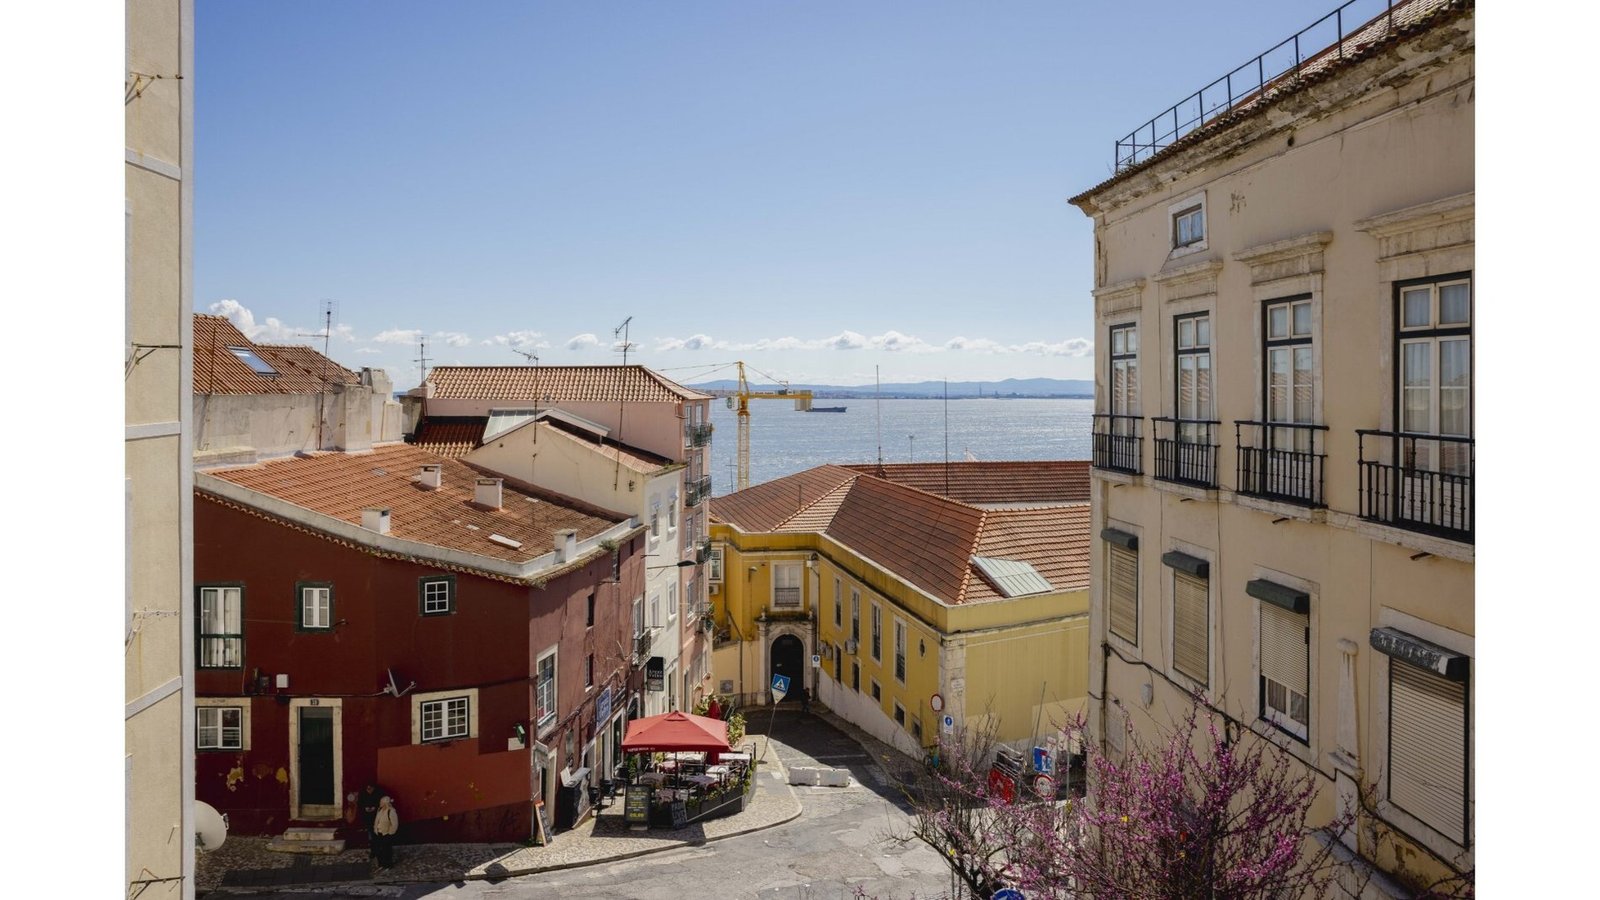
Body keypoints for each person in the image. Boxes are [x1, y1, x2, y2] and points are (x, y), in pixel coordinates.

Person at [357, 782, 387, 852]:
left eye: (370, 789)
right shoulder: (362, 793)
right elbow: (360, 804)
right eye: (368, 789)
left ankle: (379, 848)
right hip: (368, 817)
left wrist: (375, 808)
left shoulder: (379, 793)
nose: (369, 790)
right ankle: (373, 850)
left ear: (374, 788)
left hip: (378, 817)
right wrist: (365, 808)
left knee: (379, 833)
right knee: (371, 834)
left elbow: (383, 804)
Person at [371, 796, 400, 869]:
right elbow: (377, 820)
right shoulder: (380, 810)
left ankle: (388, 864)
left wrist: (390, 833)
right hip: (378, 832)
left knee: (387, 850)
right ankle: (381, 863)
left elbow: (395, 824)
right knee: (379, 849)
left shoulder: (391, 811)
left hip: (386, 833)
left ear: (385, 803)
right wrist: (375, 829)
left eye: (381, 802)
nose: (380, 803)